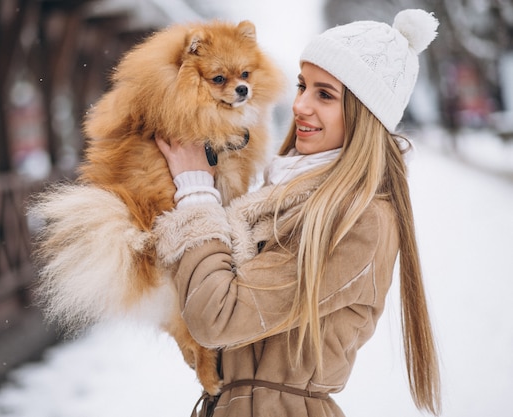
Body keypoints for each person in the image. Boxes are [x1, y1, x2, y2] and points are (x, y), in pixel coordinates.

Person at [153, 9, 441, 417]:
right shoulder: (284, 193)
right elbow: (220, 347)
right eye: (302, 86)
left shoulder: (359, 219)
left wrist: (196, 191)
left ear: (364, 114)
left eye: (325, 95)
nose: (300, 105)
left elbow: (216, 317)